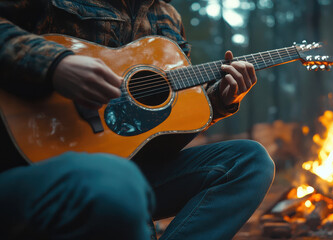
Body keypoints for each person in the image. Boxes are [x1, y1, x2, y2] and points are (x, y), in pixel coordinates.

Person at [0, 0, 275, 239]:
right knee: (117, 180)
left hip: (135, 166)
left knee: (249, 160)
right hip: (43, 162)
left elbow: (169, 110)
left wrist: (219, 100)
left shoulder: (168, 16)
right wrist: (55, 64)